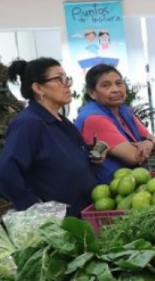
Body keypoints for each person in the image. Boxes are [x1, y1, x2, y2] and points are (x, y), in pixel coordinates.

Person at [0, 58, 97, 216]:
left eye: (67, 78)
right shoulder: (28, 123)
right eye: (60, 79)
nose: (67, 84)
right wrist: (32, 205)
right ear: (38, 88)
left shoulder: (62, 121)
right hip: (57, 224)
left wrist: (91, 156)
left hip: (81, 213)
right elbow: (6, 171)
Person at [75, 65, 155, 183]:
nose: (115, 89)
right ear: (92, 93)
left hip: (131, 181)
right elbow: (134, 157)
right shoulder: (94, 119)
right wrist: (149, 144)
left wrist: (148, 143)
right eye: (106, 85)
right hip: (109, 188)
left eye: (119, 83)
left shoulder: (123, 110)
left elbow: (154, 140)